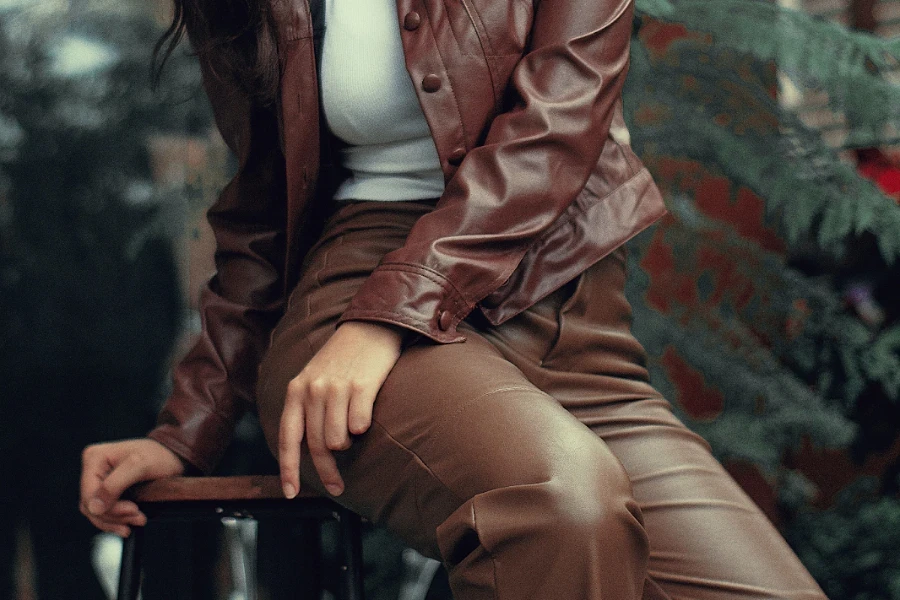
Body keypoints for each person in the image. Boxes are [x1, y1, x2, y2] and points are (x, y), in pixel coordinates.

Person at [80, 0, 830, 597]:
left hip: (562, 308)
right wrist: (185, 433)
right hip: (353, 303)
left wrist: (395, 312)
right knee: (557, 500)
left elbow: (555, 128)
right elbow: (259, 214)